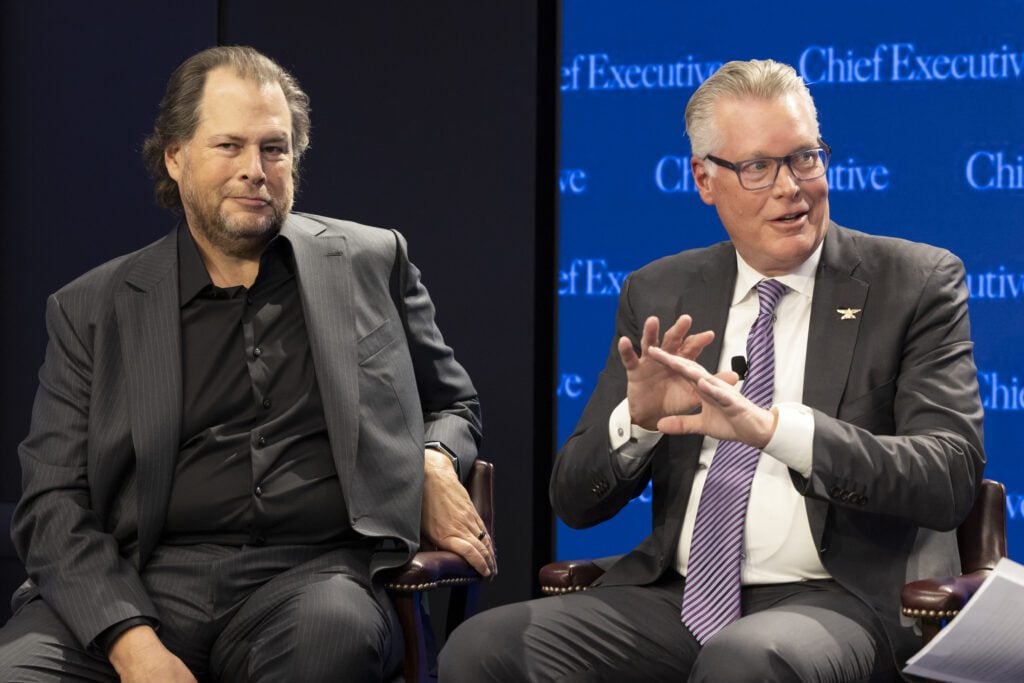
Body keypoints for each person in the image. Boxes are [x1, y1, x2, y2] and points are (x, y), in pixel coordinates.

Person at [441, 59, 984, 681]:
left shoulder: (913, 282)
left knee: (746, 661)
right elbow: (574, 502)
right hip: (676, 597)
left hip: (841, 599)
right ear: (703, 178)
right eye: (757, 167)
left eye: (805, 158)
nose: (791, 187)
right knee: (484, 648)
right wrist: (639, 425)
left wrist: (779, 430)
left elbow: (949, 474)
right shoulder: (661, 291)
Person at [0, 45, 492, 682]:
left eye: (274, 148)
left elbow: (454, 405)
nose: (255, 170)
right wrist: (134, 644)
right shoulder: (92, 308)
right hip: (143, 580)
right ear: (175, 157)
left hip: (312, 578)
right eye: (228, 146)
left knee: (329, 644)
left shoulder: (373, 261)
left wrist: (430, 460)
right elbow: (51, 503)